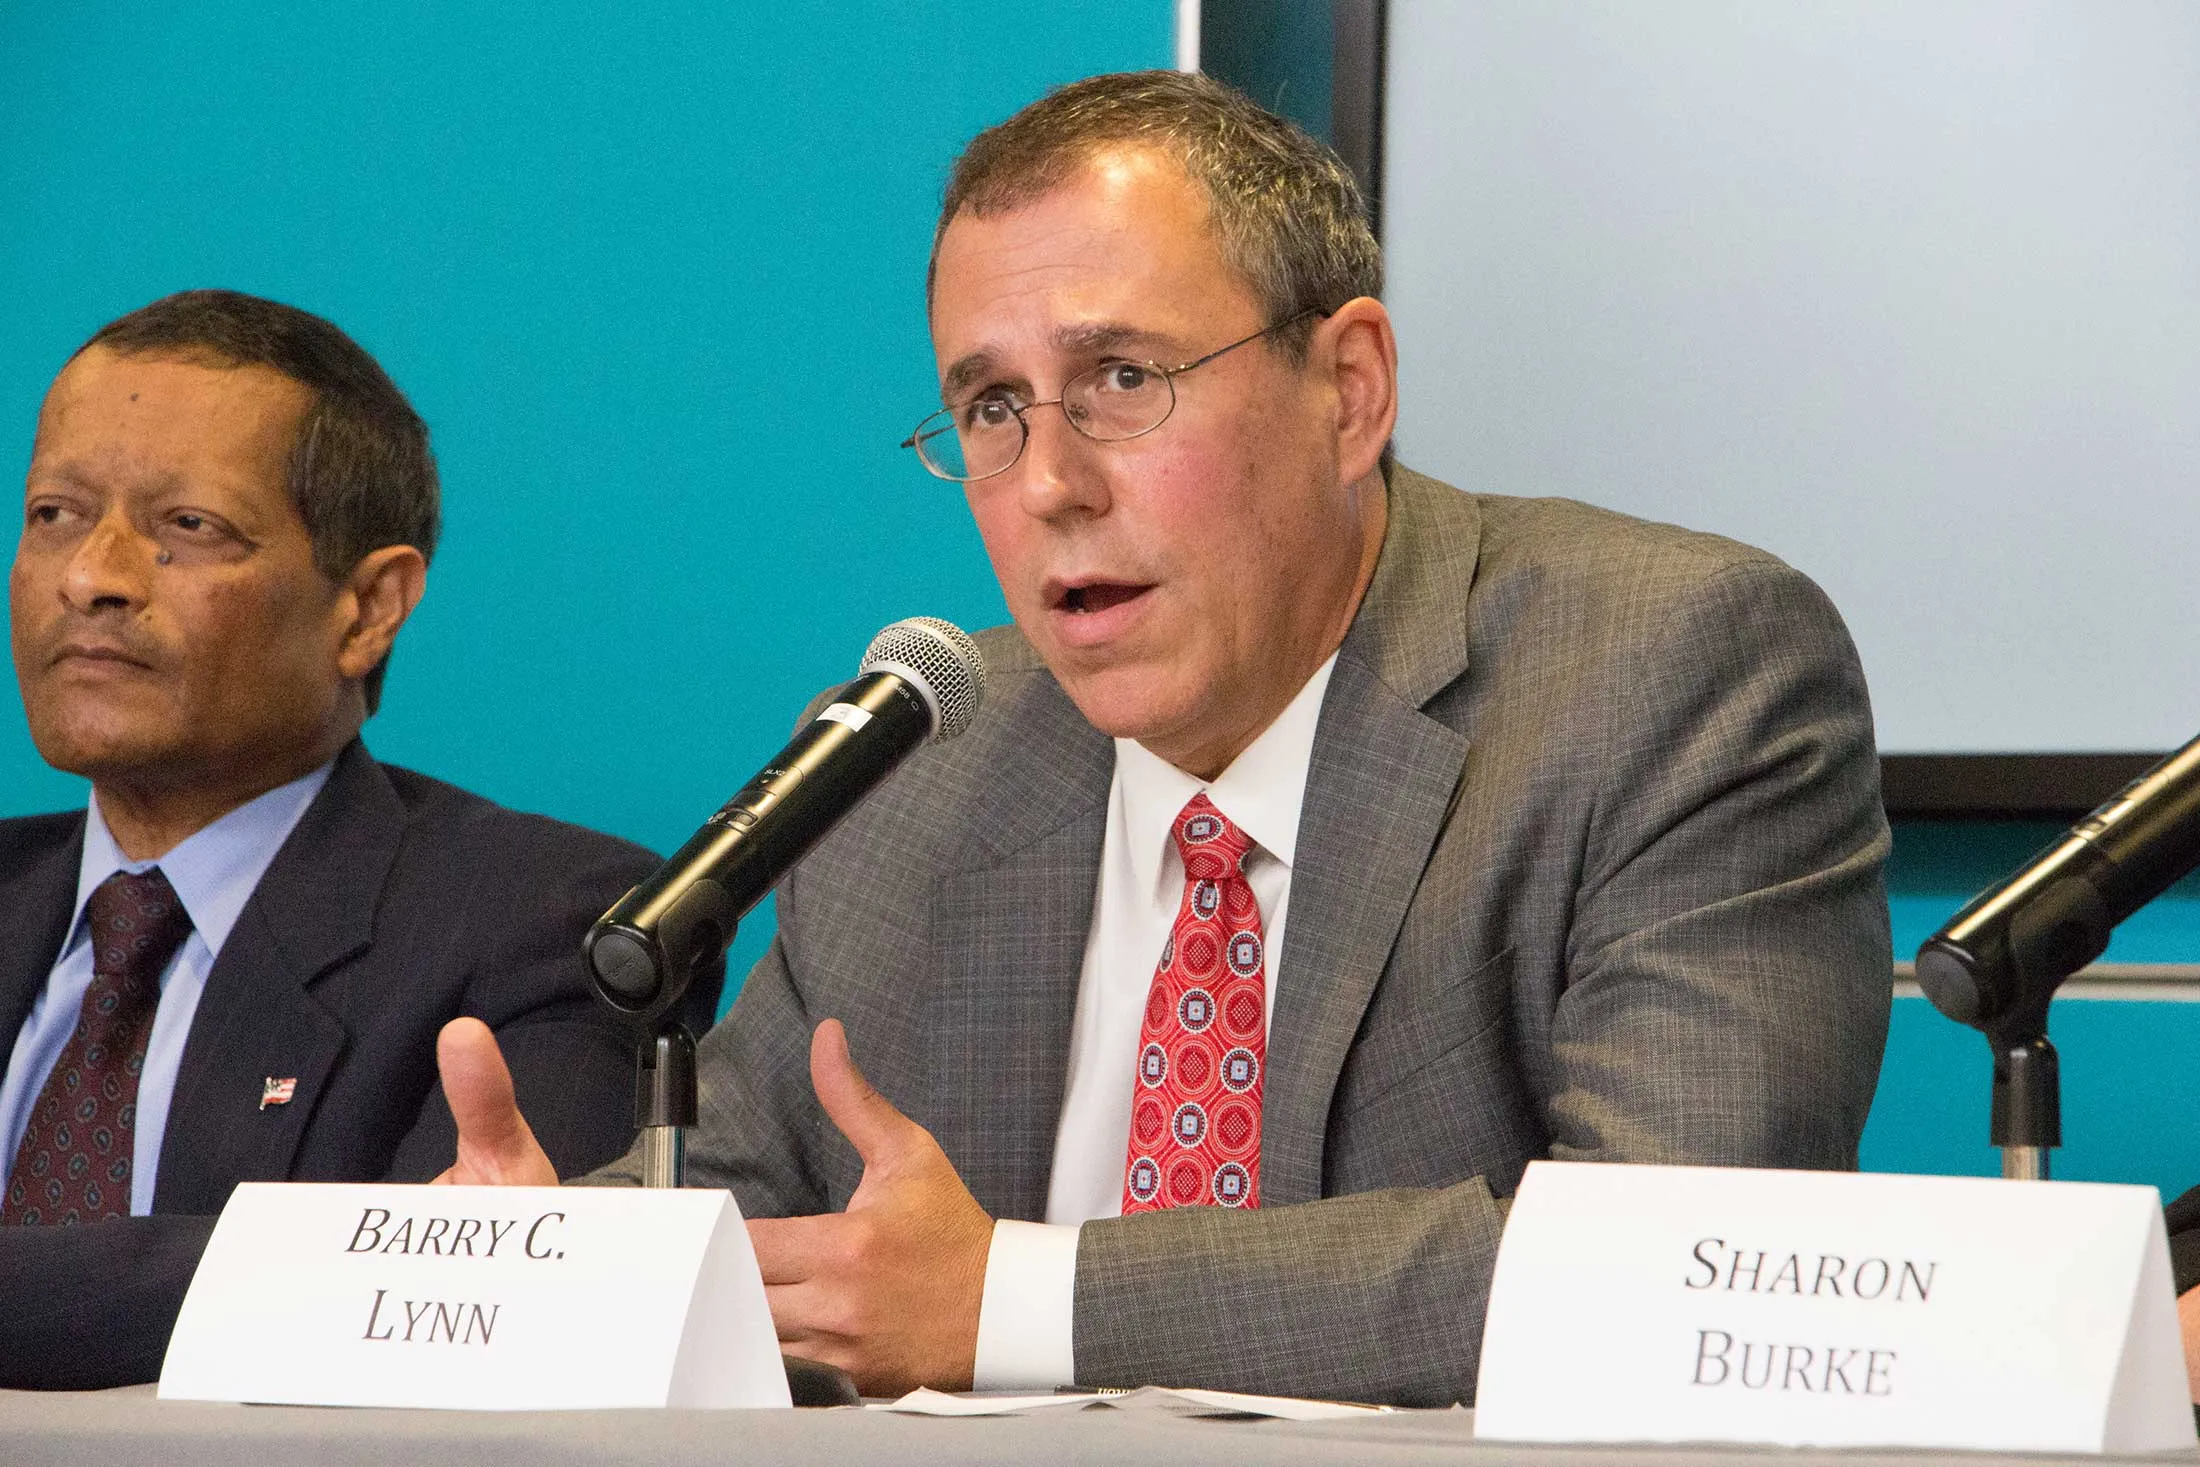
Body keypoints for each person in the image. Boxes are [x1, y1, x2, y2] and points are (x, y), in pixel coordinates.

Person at [436, 71, 1892, 1406]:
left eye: (1124, 379)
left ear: (1350, 392)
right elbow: (756, 1219)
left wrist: (1012, 1300)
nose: (1048, 482)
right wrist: (545, 1276)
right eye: (989, 407)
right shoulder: (922, 765)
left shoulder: (1664, 672)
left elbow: (1681, 1257)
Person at [0, 290, 706, 1389]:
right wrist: (302, 1258)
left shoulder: (550, 927)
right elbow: (326, 1276)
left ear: (370, 607)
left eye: (189, 526)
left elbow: (436, 1309)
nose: (91, 576)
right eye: (54, 513)